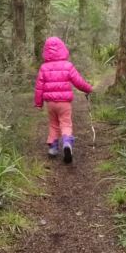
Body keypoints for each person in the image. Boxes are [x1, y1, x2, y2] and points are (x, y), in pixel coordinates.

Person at [34, 36, 93, 164]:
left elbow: (39, 87)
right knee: (65, 123)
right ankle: (67, 143)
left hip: (50, 103)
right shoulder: (68, 66)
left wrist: (38, 103)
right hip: (64, 103)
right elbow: (78, 81)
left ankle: (53, 148)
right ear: (62, 49)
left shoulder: (44, 67)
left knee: (53, 124)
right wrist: (88, 89)